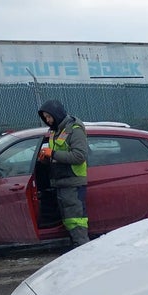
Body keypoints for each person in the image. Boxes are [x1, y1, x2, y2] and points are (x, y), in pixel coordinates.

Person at [37, 100, 89, 247]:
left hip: (73, 182)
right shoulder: (55, 131)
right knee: (69, 221)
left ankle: (84, 251)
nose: (47, 120)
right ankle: (77, 250)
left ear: (57, 114)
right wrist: (46, 158)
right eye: (45, 117)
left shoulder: (75, 129)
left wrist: (52, 153)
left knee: (76, 222)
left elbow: (79, 156)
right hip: (61, 182)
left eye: (49, 116)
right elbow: (57, 156)